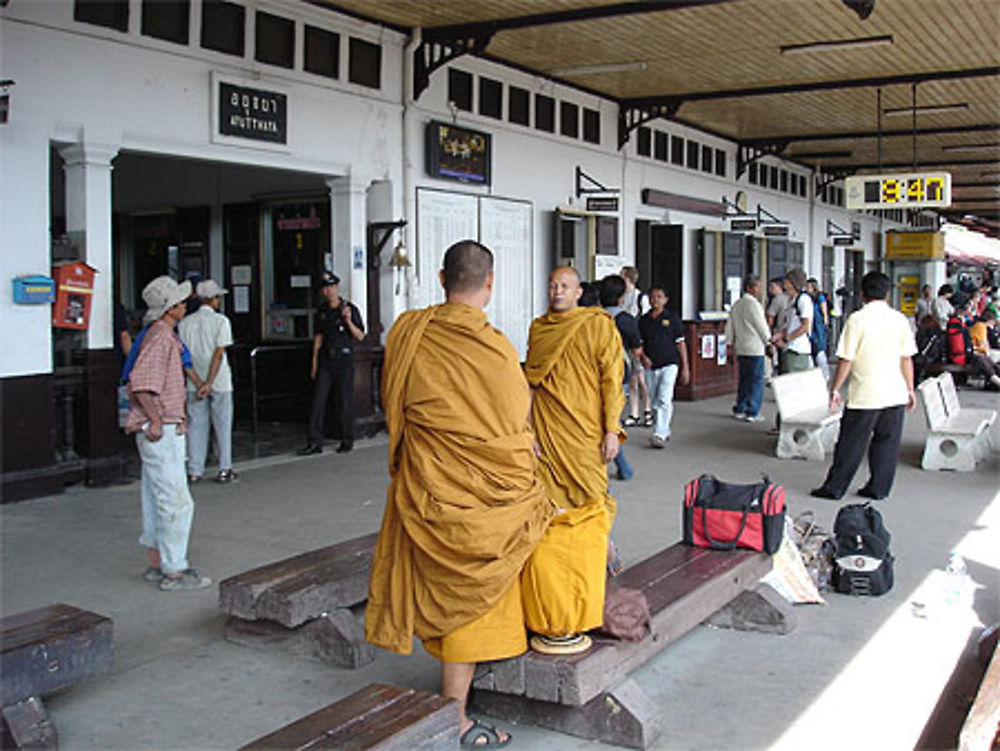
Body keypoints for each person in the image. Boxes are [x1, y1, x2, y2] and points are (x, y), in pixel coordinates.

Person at [365, 241, 555, 748]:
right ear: (489, 282)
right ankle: (455, 715)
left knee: (449, 578)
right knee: (477, 579)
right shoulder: (495, 349)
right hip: (482, 489)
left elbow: (394, 405)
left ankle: (457, 696)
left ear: (439, 276)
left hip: (432, 482)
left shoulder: (409, 332)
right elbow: (516, 423)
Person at [522, 266, 624, 655]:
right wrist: (525, 431)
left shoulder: (598, 326)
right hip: (547, 434)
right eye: (552, 285)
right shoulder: (540, 328)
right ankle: (555, 601)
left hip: (584, 437)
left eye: (564, 285)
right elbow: (530, 382)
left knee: (591, 509)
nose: (557, 291)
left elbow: (611, 381)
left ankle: (591, 583)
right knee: (551, 515)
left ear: (580, 291)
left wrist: (612, 429)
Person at [125, 276, 211, 591]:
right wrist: (156, 421)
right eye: (179, 301)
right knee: (176, 501)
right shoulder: (161, 339)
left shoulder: (159, 335)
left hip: (160, 427)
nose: (184, 304)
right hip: (162, 429)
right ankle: (174, 569)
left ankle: (156, 562)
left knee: (154, 496)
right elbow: (141, 383)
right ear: (170, 308)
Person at [810, 272, 917, 502]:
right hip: (895, 394)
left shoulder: (857, 320)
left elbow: (846, 359)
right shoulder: (899, 319)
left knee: (851, 443)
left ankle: (835, 488)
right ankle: (879, 488)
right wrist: (910, 389)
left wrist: (835, 388)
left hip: (865, 395)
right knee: (887, 444)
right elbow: (906, 358)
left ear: (862, 293)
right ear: (888, 293)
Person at [178, 279, 237, 484]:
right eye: (218, 297)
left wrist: (198, 382)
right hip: (219, 382)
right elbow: (219, 354)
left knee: (196, 425)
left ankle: (194, 470)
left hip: (194, 383)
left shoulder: (184, 323)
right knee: (222, 424)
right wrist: (210, 382)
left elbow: (184, 358)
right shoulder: (221, 322)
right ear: (212, 299)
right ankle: (224, 468)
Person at [299, 272, 365, 455]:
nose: (328, 291)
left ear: (337, 288)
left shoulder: (349, 308)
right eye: (325, 288)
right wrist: (314, 362)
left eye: (331, 287)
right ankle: (314, 442)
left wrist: (348, 320)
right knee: (318, 401)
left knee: (345, 401)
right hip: (326, 360)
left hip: (344, 360)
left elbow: (360, 335)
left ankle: (347, 439)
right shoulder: (322, 311)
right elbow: (318, 337)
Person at [601, 274, 641, 481]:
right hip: (618, 374)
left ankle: (622, 465)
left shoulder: (592, 318)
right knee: (611, 420)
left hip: (592, 375)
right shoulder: (626, 320)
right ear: (621, 297)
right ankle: (622, 465)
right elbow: (636, 348)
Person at [638, 287, 689, 446]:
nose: (655, 300)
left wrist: (685, 367)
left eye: (659, 297)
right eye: (652, 297)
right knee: (653, 400)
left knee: (664, 398)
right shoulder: (643, 321)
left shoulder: (672, 319)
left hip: (669, 363)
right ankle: (662, 428)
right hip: (650, 365)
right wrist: (643, 358)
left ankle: (659, 433)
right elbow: (639, 345)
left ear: (665, 300)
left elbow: (680, 343)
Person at [725, 275, 771, 422]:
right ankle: (753, 411)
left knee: (744, 380)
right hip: (755, 348)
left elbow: (730, 327)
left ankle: (740, 408)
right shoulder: (754, 305)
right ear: (750, 288)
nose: (759, 289)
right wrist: (768, 342)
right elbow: (761, 326)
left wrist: (730, 344)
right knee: (756, 380)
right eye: (757, 286)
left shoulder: (737, 304)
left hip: (741, 347)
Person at [621, 266, 651, 427]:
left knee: (641, 378)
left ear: (627, 277)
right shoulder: (622, 297)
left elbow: (645, 322)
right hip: (626, 342)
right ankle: (634, 413)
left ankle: (647, 410)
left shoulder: (640, 297)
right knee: (633, 379)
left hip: (637, 342)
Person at [966, 308, 1000, 389]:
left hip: (977, 351)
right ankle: (996, 380)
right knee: (988, 359)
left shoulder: (980, 326)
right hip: (975, 352)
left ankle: (995, 380)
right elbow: (982, 344)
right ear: (990, 321)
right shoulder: (980, 326)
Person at [806, 277, 830, 379]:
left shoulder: (819, 297)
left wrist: (825, 321)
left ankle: (825, 374)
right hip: (812, 324)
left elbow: (824, 310)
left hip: (818, 324)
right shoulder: (807, 297)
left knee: (819, 349)